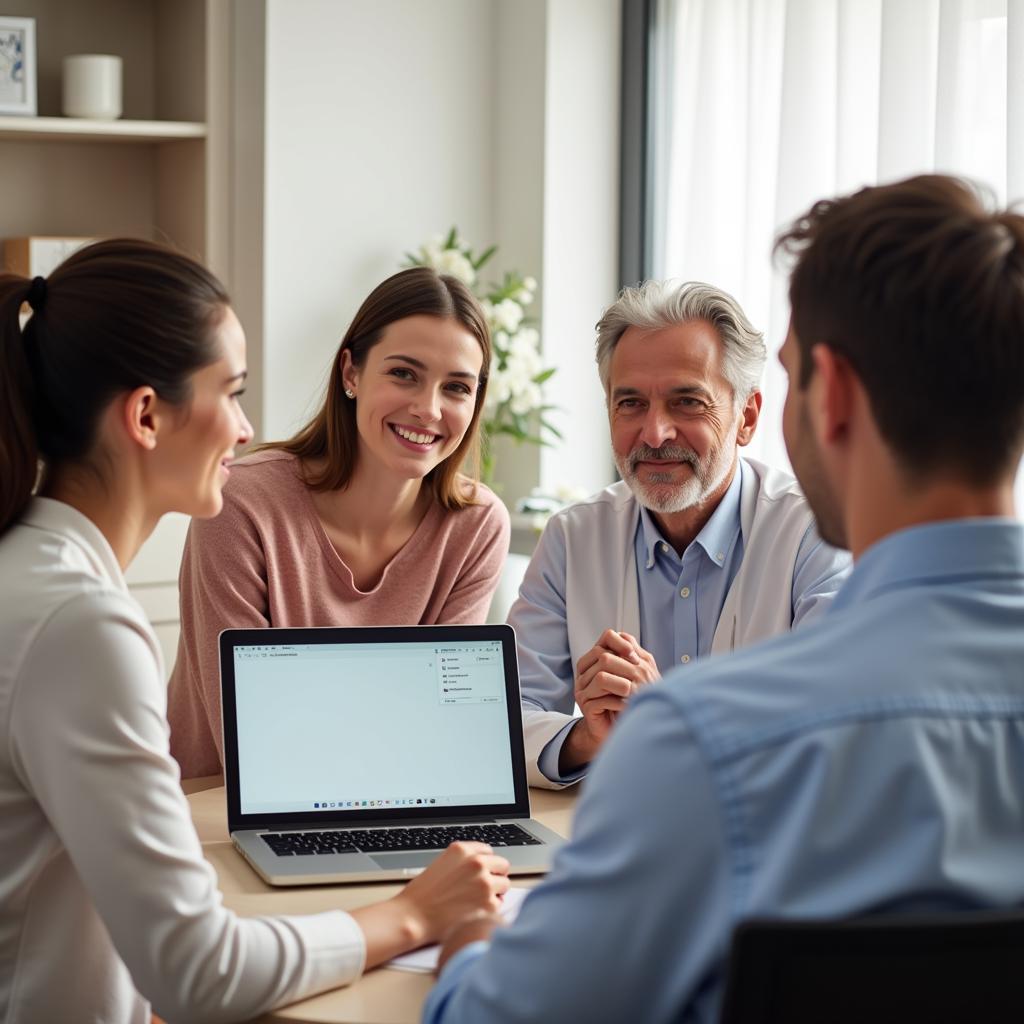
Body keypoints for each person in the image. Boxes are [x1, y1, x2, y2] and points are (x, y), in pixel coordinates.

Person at [422, 174, 1024, 1023]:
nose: (654, 430)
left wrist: (466, 942)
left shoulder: (705, 742)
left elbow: (498, 1017)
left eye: (788, 376)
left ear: (832, 397)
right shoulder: (586, 545)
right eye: (630, 402)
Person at [0, 240, 510, 1024]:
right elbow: (199, 974)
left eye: (457, 387)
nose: (243, 431)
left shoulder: (39, 570)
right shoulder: (84, 625)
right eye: (231, 393)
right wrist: (413, 916)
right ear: (145, 415)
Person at [168, 266, 511, 778]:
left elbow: (441, 725)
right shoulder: (240, 504)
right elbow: (252, 736)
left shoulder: (476, 526)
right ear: (351, 373)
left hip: (391, 800)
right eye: (403, 374)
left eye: (456, 387)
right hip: (217, 811)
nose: (428, 409)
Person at [510, 280, 850, 787]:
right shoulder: (572, 537)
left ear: (746, 417)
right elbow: (507, 714)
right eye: (630, 403)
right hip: (610, 837)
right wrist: (588, 739)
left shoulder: (816, 534)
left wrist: (665, 720)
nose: (654, 434)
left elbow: (832, 731)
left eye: (687, 402)